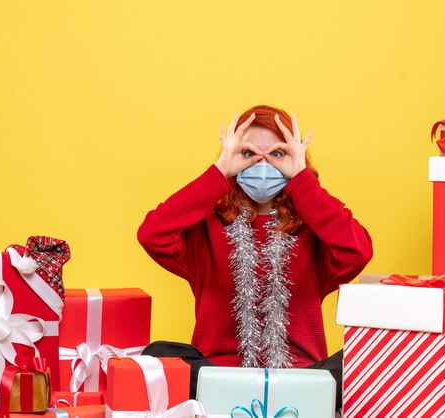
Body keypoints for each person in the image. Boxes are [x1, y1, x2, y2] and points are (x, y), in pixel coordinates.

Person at [137, 105, 373, 408]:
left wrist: (302, 180)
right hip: (220, 377)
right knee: (158, 355)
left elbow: (358, 250)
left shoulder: (314, 229)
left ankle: (281, 399)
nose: (263, 164)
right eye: (249, 154)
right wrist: (220, 171)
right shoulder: (208, 226)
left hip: (301, 377)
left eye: (277, 154)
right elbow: (152, 234)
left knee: (362, 361)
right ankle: (250, 398)